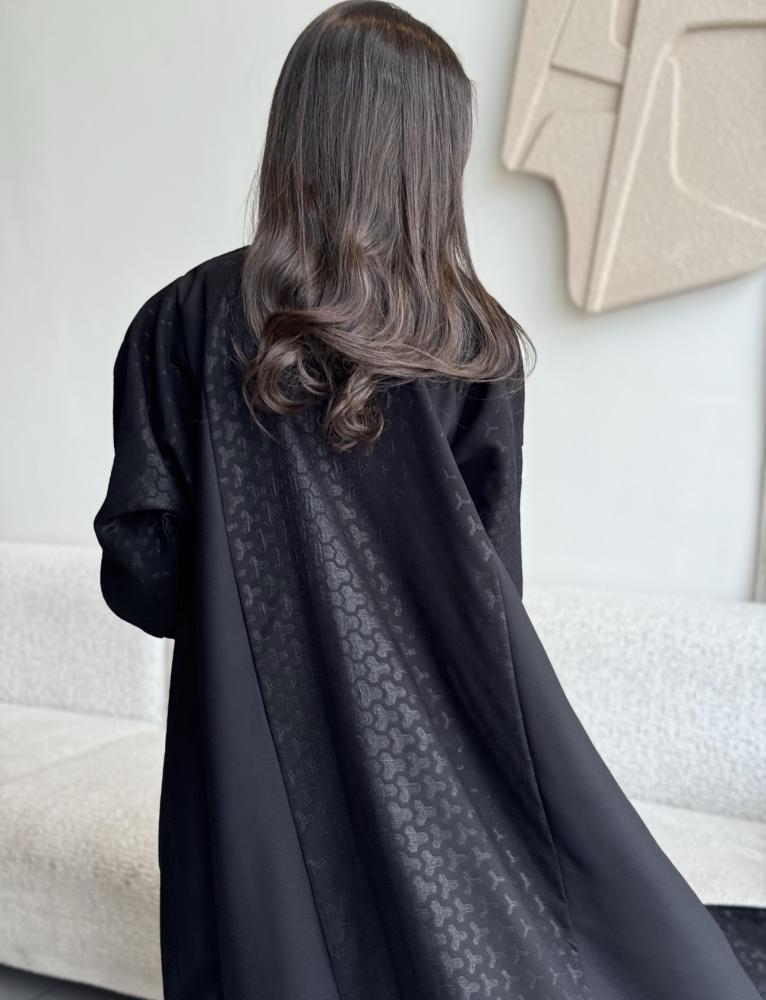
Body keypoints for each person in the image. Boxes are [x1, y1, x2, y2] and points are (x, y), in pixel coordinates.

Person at [93, 3, 760, 999]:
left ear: (299, 130)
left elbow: (144, 581)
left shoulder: (180, 322)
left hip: (247, 753)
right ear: (431, 157)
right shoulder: (474, 344)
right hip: (432, 754)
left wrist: (255, 593)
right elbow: (493, 592)